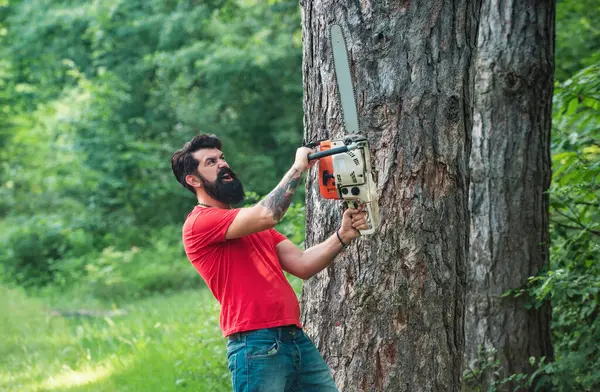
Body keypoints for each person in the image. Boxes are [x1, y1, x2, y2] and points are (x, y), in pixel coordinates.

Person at [171, 134, 368, 392]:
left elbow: (302, 264)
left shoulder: (249, 224)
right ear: (193, 180)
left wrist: (343, 236)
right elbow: (268, 214)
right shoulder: (200, 222)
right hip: (256, 344)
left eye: (222, 158)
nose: (222, 164)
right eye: (211, 162)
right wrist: (298, 167)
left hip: (295, 339)